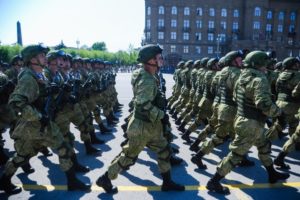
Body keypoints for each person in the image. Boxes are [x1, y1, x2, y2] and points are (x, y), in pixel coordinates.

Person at [0, 44, 90, 195]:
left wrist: (51, 91)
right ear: (32, 59)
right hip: (36, 125)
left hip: (39, 125)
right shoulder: (28, 77)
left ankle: (4, 180)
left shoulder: (38, 74)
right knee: (58, 148)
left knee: (27, 154)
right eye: (42, 55)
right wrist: (39, 116)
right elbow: (17, 103)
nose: (45, 58)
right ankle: (72, 181)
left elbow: (39, 96)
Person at [95, 44, 185, 193]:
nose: (161, 59)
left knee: (164, 150)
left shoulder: (144, 73)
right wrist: (161, 115)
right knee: (128, 156)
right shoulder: (147, 79)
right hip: (142, 126)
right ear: (150, 60)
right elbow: (142, 103)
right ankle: (105, 178)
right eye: (158, 57)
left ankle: (167, 182)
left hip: (150, 126)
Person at [206, 51, 289, 195]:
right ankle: (214, 181)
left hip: (244, 119)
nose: (266, 66)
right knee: (236, 154)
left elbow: (235, 96)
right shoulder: (259, 79)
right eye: (264, 63)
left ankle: (271, 173)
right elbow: (263, 103)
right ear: (258, 64)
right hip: (252, 123)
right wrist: (279, 114)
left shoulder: (242, 77)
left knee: (263, 145)